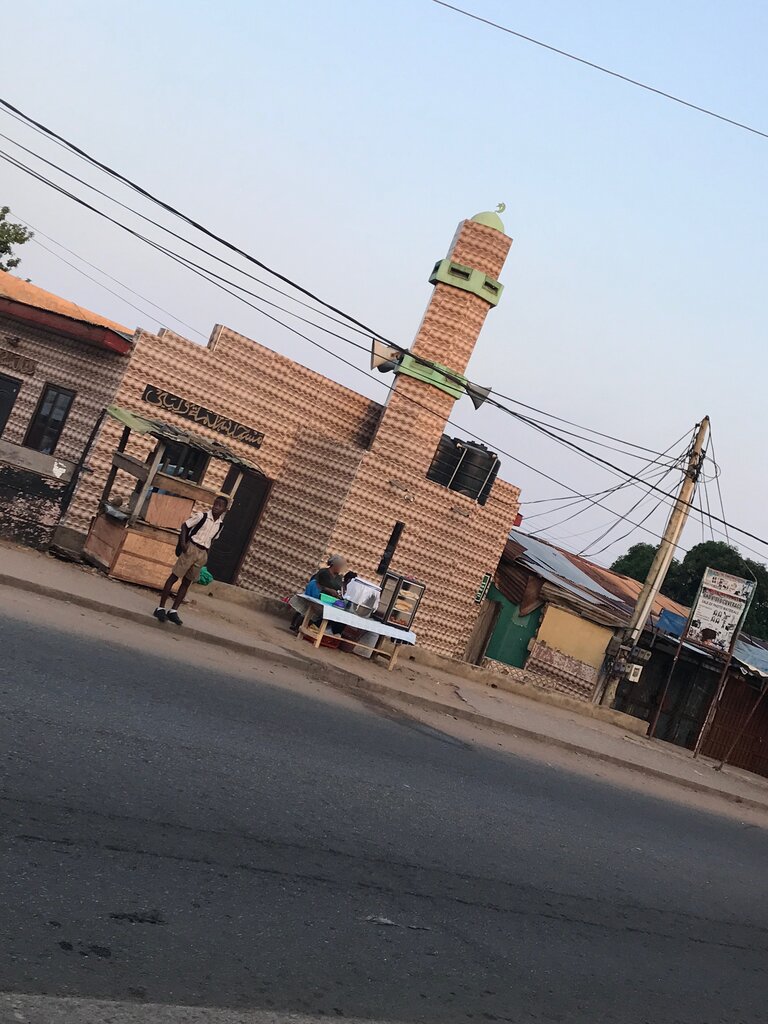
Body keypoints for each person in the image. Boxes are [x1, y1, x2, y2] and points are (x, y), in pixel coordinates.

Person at [154, 496, 228, 625]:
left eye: (220, 506)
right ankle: (160, 608)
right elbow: (185, 526)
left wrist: (206, 555)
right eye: (215, 504)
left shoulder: (220, 525)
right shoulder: (202, 516)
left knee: (187, 582)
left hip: (202, 552)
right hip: (191, 547)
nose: (216, 507)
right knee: (174, 577)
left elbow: (213, 540)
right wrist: (183, 544)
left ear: (224, 510)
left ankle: (173, 611)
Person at [289, 554, 347, 633]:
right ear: (334, 564)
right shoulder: (323, 572)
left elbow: (339, 588)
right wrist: (328, 589)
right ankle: (298, 627)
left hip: (329, 599)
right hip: (317, 596)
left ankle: (310, 629)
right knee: (309, 611)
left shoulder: (339, 578)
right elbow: (314, 583)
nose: (340, 568)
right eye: (339, 566)